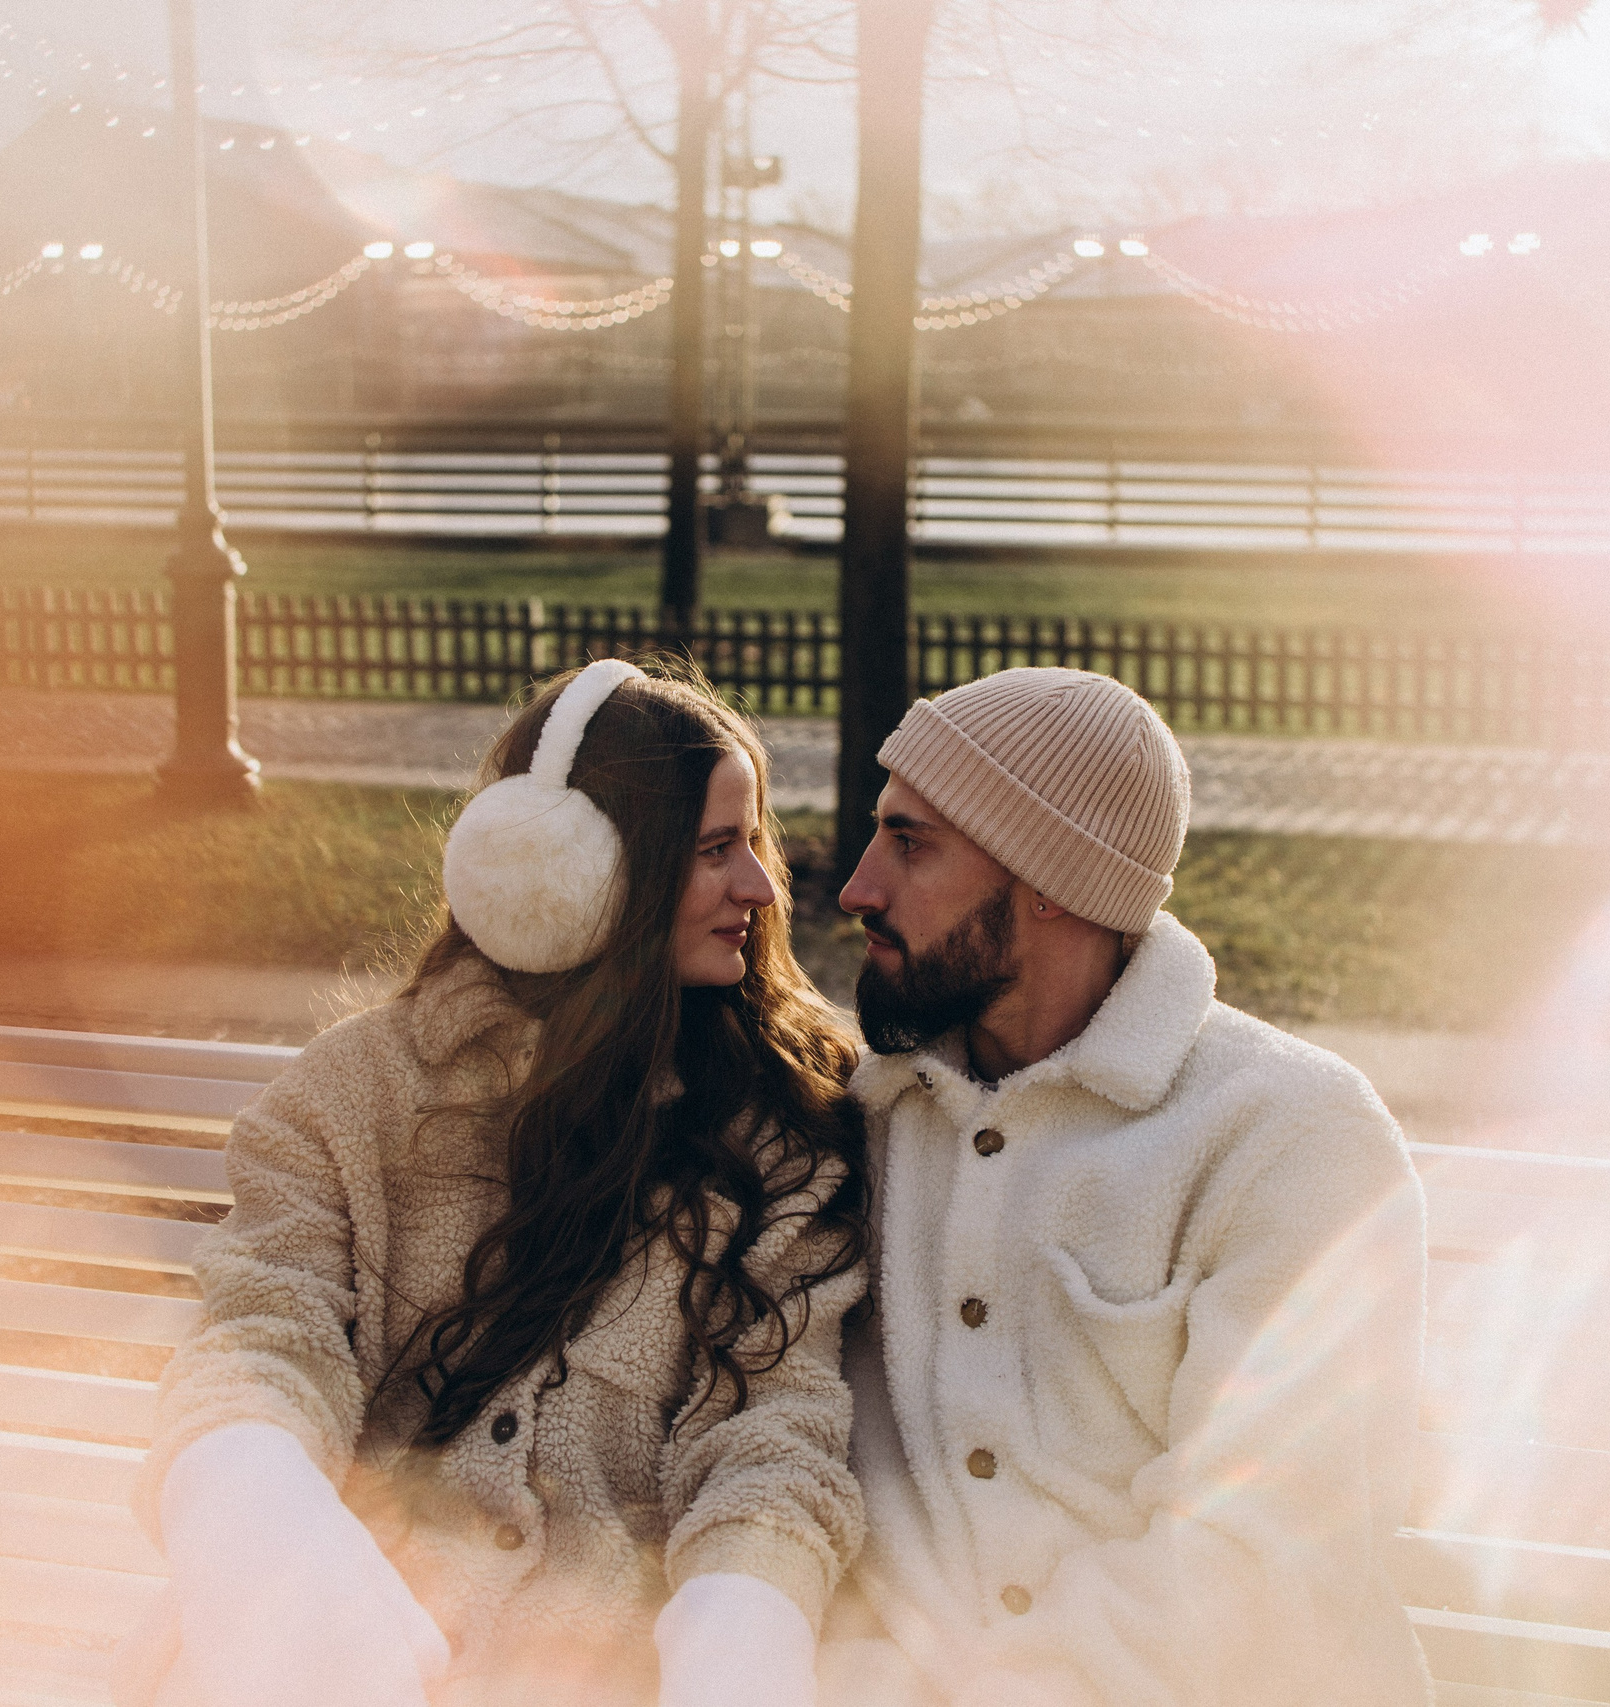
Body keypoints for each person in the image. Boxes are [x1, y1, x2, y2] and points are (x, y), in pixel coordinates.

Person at [116, 659, 870, 1707]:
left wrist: (737, 1634)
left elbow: (769, 1440)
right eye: (711, 852)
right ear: (571, 875)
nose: (760, 886)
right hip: (323, 1643)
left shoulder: (784, 1132)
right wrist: (259, 1518)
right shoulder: (353, 1098)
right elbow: (263, 1332)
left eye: (754, 842)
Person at [819, 667, 1432, 1707]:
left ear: (1047, 876)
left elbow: (1267, 1547)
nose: (857, 887)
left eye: (910, 843)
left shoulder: (1294, 1140)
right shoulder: (866, 1123)